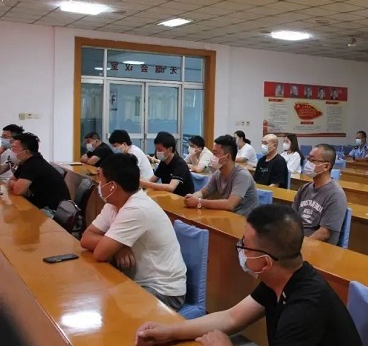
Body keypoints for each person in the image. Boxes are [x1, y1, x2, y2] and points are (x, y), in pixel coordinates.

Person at [134, 204, 365, 346]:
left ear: (265, 262)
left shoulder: (306, 305)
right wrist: (169, 332)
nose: (241, 250)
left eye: (245, 245)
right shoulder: (281, 278)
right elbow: (231, 318)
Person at [80, 153, 187, 310]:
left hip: (163, 291)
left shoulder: (136, 209)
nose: (99, 185)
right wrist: (119, 247)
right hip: (138, 282)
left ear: (112, 186)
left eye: (101, 181)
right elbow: (86, 238)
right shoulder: (114, 204)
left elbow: (100, 253)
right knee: (97, 296)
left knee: (108, 308)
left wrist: (113, 245)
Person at [184, 135, 258, 216]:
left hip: (243, 219)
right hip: (227, 215)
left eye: (215, 153)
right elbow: (204, 192)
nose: (212, 157)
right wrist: (193, 197)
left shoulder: (242, 175)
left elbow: (230, 204)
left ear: (228, 157)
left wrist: (199, 202)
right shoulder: (218, 173)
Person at [293, 144, 348, 245]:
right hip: (298, 241)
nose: (308, 163)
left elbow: (324, 233)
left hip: (316, 246)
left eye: (312, 160)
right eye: (308, 159)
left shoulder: (335, 195)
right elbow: (293, 218)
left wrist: (300, 245)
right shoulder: (304, 188)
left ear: (326, 166)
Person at [8, 132, 71, 216]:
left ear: (26, 152)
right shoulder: (25, 162)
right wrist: (17, 185)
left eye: (14, 148)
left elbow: (17, 190)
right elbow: (11, 181)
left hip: (53, 212)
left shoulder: (33, 164)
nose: (11, 152)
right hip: (40, 205)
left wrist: (16, 185)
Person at [140, 132, 194, 197]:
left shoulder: (180, 164)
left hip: (182, 199)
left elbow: (171, 187)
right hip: (169, 196)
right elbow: (152, 180)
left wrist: (147, 184)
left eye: (159, 149)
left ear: (170, 149)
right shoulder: (163, 162)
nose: (157, 152)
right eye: (156, 149)